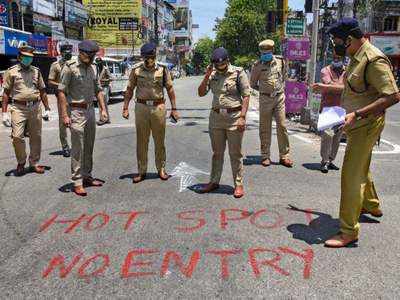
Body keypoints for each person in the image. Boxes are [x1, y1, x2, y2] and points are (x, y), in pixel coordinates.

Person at [313, 18, 399, 247]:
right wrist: (327, 89)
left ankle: (349, 231)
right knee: (362, 165)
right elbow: (353, 89)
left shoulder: (373, 59)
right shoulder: (356, 57)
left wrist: (358, 114)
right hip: (355, 123)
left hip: (366, 124)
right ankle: (371, 205)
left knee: (350, 174)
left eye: (338, 41)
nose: (335, 45)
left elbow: (392, 96)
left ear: (349, 38)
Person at [122, 42, 180, 183]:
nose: (150, 60)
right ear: (143, 57)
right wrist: (125, 107)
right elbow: (129, 89)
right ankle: (142, 171)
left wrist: (174, 108)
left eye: (152, 57)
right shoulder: (136, 70)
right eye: (147, 57)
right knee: (141, 141)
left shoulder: (163, 69)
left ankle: (161, 169)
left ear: (155, 56)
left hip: (158, 107)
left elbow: (170, 89)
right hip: (141, 107)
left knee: (159, 140)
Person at [198, 47, 250, 198]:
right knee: (217, 153)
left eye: (222, 65)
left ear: (227, 61)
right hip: (216, 119)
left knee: (235, 153)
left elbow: (246, 96)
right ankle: (214, 181)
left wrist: (242, 117)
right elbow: (201, 93)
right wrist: (207, 75)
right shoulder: (212, 74)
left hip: (234, 117)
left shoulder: (238, 73)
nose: (220, 68)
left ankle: (238, 184)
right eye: (217, 65)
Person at [58, 40, 109, 197]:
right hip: (76, 112)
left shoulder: (92, 68)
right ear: (82, 53)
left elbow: (98, 90)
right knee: (78, 148)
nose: (93, 58)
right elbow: (61, 92)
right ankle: (77, 181)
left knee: (89, 145)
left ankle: (87, 175)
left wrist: (103, 109)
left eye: (94, 55)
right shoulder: (69, 67)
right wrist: (64, 115)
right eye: (91, 55)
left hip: (90, 111)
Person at [1, 45, 50, 176]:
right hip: (18, 108)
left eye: (30, 58)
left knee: (36, 136)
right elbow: (6, 93)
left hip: (35, 107)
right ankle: (21, 161)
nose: (28, 60)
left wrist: (47, 108)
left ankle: (34, 163)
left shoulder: (36, 71)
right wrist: (4, 113)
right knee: (17, 136)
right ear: (19, 57)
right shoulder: (11, 72)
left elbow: (43, 90)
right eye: (26, 57)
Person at [250, 39, 293, 168]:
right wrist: (263, 92)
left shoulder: (281, 61)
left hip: (279, 98)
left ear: (272, 51)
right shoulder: (257, 65)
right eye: (263, 53)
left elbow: (284, 77)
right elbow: (252, 84)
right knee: (265, 128)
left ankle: (284, 156)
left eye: (267, 52)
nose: (265, 55)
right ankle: (265, 156)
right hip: (264, 99)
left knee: (282, 126)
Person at [319, 53, 346, 173]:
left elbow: (350, 87)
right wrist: (343, 88)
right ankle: (324, 161)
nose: (336, 60)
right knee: (327, 136)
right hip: (328, 109)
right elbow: (328, 86)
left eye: (338, 58)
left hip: (342, 109)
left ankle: (330, 161)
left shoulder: (348, 71)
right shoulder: (325, 70)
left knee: (337, 137)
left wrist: (336, 88)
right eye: (334, 58)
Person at [48, 44, 73, 157]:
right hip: (62, 96)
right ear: (61, 52)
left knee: (76, 121)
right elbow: (50, 81)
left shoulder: (74, 64)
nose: (68, 53)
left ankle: (76, 145)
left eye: (69, 51)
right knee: (63, 122)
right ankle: (65, 146)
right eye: (65, 51)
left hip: (74, 97)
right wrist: (62, 85)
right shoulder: (55, 65)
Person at [95, 57, 112, 126]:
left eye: (99, 62)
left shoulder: (105, 69)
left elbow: (110, 78)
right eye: (97, 62)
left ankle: (102, 119)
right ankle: (106, 119)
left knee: (102, 103)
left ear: (101, 62)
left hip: (104, 87)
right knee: (101, 104)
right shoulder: (96, 69)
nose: (98, 63)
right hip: (99, 88)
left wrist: (103, 81)